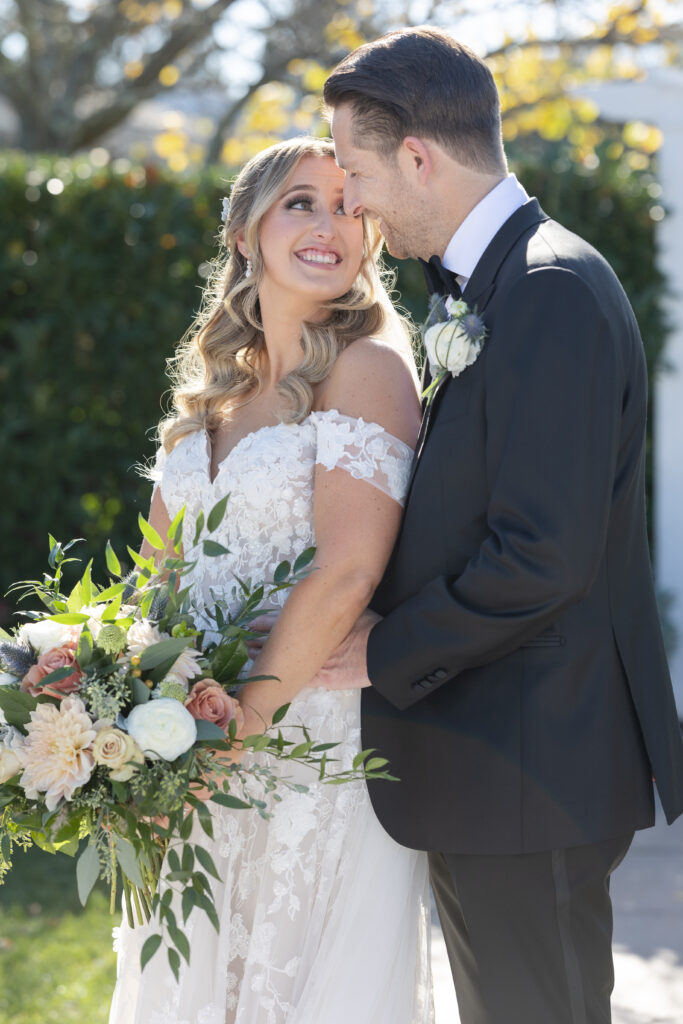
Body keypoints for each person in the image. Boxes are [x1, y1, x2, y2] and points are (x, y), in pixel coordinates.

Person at [311, 25, 683, 1024]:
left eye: (353, 170)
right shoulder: (502, 285)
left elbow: (539, 555)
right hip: (503, 762)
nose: (349, 199)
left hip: (530, 763)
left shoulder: (547, 293)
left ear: (418, 157)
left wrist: (382, 649)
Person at [108, 137, 434, 1024]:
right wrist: (126, 724)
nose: (331, 225)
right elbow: (151, 588)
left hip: (304, 743)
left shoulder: (367, 369)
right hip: (193, 745)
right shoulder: (210, 398)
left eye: (349, 207)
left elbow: (349, 570)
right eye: (301, 202)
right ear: (245, 231)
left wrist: (244, 719)